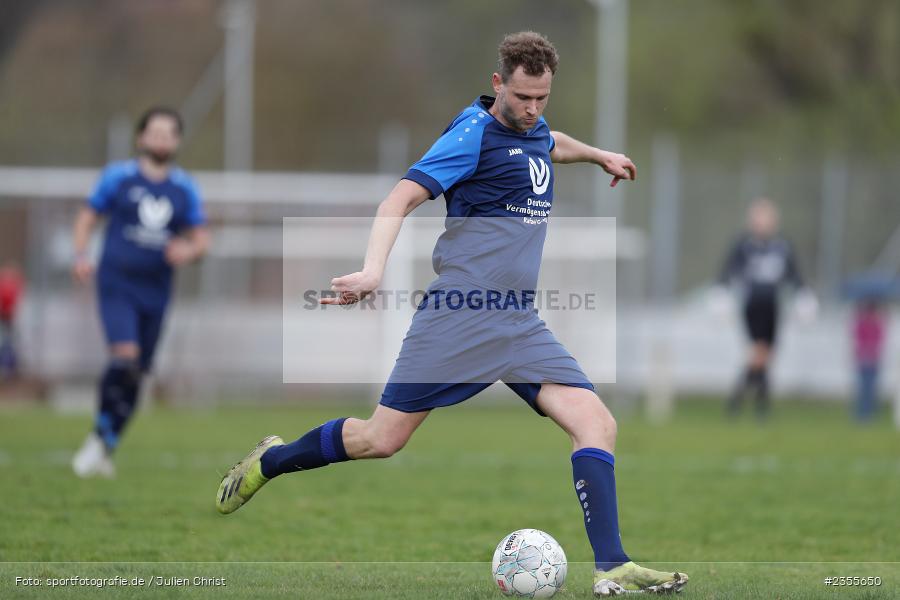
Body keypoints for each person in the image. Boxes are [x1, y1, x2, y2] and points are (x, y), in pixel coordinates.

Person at [216, 32, 688, 596]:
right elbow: (399, 198)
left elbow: (547, 141)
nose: (533, 109)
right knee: (380, 439)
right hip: (460, 315)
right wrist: (371, 271)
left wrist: (596, 154)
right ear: (497, 85)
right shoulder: (472, 134)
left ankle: (612, 567)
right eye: (522, 97)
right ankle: (271, 461)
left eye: (542, 98)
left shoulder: (531, 126)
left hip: (517, 321)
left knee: (597, 423)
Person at [71, 106, 210, 478]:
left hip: (157, 290)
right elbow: (87, 217)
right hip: (117, 282)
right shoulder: (118, 178)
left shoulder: (184, 188)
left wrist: (189, 250)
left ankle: (107, 442)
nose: (162, 139)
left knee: (137, 373)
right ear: (141, 138)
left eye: (170, 134)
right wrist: (82, 254)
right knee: (124, 358)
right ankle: (100, 435)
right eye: (156, 132)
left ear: (177, 141)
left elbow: (201, 240)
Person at [717, 197, 813, 419]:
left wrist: (803, 295)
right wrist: (721, 294)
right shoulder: (744, 245)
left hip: (773, 305)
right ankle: (750, 404)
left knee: (765, 356)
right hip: (753, 304)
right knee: (759, 353)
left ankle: (747, 404)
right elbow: (727, 271)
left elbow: (794, 274)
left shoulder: (782, 246)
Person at [852, 299, 886, 422]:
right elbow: (858, 338)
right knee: (863, 388)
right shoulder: (862, 323)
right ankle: (861, 414)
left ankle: (869, 413)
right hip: (864, 359)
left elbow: (880, 339)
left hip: (873, 359)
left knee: (871, 388)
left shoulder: (877, 324)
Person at [0, 260, 24, 379]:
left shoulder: (13, 285)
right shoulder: (8, 285)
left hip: (8, 318)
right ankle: (7, 367)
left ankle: (8, 368)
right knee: (7, 342)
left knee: (8, 342)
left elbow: (11, 303)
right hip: (5, 317)